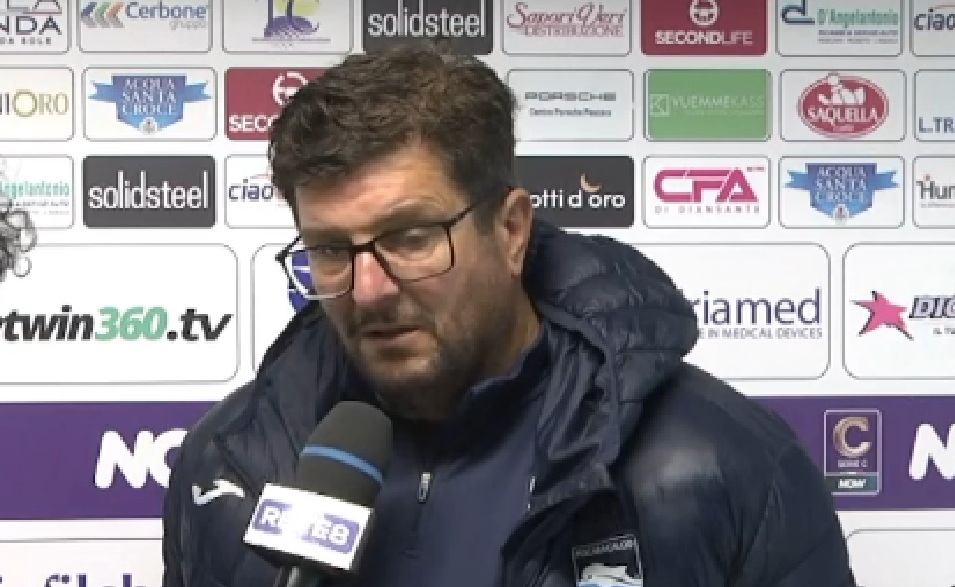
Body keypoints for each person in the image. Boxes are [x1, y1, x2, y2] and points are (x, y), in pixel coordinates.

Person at [161, 42, 857, 587]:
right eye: (330, 249)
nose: (368, 288)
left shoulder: (722, 462)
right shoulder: (230, 463)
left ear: (511, 229)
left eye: (412, 237)